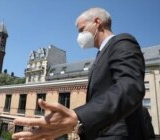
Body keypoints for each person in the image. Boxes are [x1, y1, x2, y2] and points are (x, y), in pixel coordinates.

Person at [12, 7, 148, 140]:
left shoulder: (122, 42)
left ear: (97, 22)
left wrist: (78, 117)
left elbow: (130, 87)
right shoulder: (100, 54)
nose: (79, 36)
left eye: (81, 30)